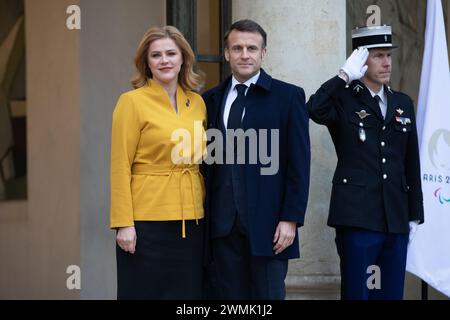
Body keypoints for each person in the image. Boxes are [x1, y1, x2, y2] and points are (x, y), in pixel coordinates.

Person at [307, 25, 424, 300]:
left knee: (390, 293)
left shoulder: (402, 103)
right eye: (378, 56)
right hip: (357, 216)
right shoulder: (343, 99)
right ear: (361, 59)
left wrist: (415, 212)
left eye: (389, 56)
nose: (386, 63)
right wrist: (343, 76)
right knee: (358, 293)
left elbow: (411, 161)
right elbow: (313, 109)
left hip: (395, 215)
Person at [202, 19, 310, 300]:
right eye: (237, 48)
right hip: (222, 227)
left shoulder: (288, 97)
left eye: (252, 48)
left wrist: (290, 219)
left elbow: (299, 164)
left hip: (270, 226)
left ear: (264, 53)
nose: (244, 55)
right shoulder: (210, 99)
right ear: (226, 53)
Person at [110, 25, 206, 300]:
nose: (164, 60)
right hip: (145, 223)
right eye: (156, 55)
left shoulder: (197, 103)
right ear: (146, 62)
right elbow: (119, 165)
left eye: (171, 53)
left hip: (192, 220)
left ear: (183, 59)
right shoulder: (131, 102)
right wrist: (123, 224)